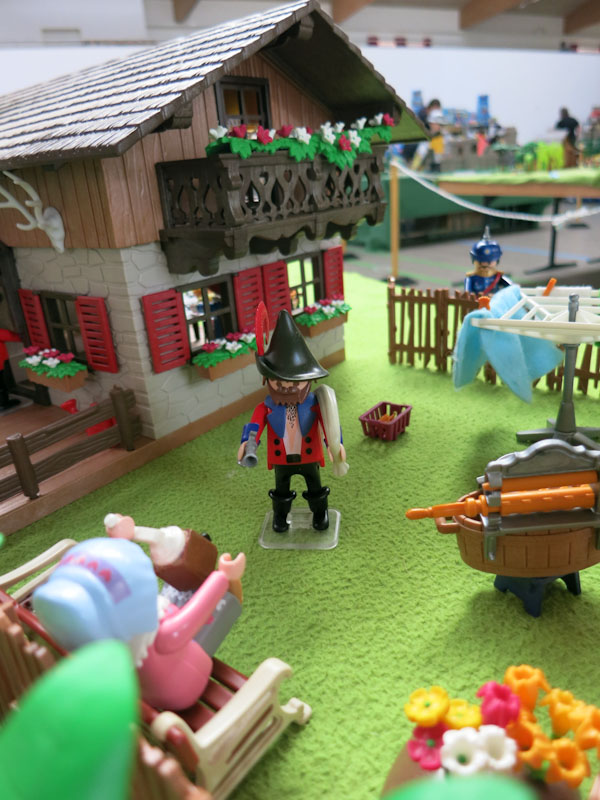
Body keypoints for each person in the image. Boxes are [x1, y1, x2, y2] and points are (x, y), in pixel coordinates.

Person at [238, 306, 346, 533]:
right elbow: (255, 426)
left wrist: (335, 444)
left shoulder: (315, 403)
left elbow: (330, 422)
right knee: (281, 490)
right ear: (267, 380)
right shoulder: (266, 407)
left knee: (315, 486)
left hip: (309, 455)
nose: (287, 387)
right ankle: (280, 516)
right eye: (279, 382)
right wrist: (247, 442)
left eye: (294, 382)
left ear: (309, 380)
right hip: (282, 458)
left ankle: (320, 513)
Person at [464, 227, 512, 295]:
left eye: (489, 262)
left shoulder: (498, 276)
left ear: (497, 261)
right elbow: (467, 293)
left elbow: (512, 287)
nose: (485, 264)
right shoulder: (471, 278)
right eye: (480, 262)